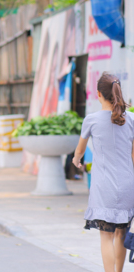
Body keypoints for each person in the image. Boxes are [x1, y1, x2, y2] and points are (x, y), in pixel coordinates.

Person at [73, 73, 134, 272]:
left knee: (106, 236)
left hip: (103, 187)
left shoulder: (91, 120)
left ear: (98, 94)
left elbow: (80, 151)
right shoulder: (131, 119)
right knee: (121, 234)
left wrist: (76, 160)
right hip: (127, 186)